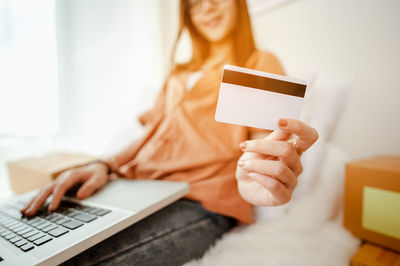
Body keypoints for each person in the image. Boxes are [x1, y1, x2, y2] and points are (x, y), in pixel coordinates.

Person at [21, 0, 318, 265]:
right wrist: (102, 165)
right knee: (33, 240)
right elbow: (149, 136)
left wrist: (264, 173)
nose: (207, 7)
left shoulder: (258, 63)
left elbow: (263, 143)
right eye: (194, 3)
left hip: (198, 199)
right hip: (134, 184)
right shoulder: (177, 74)